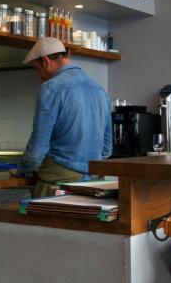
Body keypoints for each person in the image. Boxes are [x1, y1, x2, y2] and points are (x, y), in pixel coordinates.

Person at [9, 37, 112, 198]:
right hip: (93, 182)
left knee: (45, 224)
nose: (40, 76)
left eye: (38, 69)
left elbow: (38, 148)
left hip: (58, 182)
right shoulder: (99, 89)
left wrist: (23, 169)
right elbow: (106, 149)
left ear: (46, 60)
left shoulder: (50, 88)